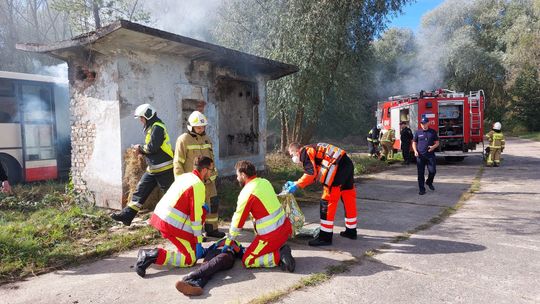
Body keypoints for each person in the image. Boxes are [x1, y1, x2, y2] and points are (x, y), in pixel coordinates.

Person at [134, 156, 215, 277]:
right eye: (211, 170)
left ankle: (153, 254)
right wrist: (198, 241)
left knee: (191, 250)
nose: (211, 173)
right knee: (190, 259)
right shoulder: (198, 185)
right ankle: (151, 255)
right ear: (204, 170)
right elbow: (196, 218)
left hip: (162, 217)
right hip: (171, 224)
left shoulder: (186, 176)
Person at [223, 160, 295, 271]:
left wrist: (228, 241)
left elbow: (238, 221)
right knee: (255, 250)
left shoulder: (247, 193)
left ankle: (278, 256)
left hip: (270, 236)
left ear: (243, 175)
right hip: (285, 230)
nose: (236, 178)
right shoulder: (264, 182)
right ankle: (279, 249)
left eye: (237, 175)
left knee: (248, 260)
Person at [111, 104, 175, 226]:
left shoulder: (158, 127)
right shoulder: (152, 127)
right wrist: (142, 150)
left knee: (170, 196)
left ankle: (177, 223)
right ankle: (127, 216)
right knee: (139, 192)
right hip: (153, 169)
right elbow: (151, 147)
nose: (141, 121)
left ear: (148, 115)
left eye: (141, 118)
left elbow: (153, 147)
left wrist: (139, 148)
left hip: (164, 169)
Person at [286, 142, 357, 246]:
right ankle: (351, 231)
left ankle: (325, 237)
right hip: (346, 163)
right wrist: (296, 182)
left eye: (292, 155)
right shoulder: (312, 149)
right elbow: (314, 173)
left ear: (297, 151)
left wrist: (297, 185)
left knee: (326, 202)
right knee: (348, 197)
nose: (293, 158)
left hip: (337, 169)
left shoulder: (305, 152)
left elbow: (310, 174)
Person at [173, 111, 224, 238]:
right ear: (191, 126)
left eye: (203, 126)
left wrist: (213, 175)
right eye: (198, 127)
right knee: (195, 208)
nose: (201, 129)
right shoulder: (183, 139)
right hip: (193, 182)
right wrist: (181, 182)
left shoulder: (207, 139)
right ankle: (196, 234)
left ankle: (212, 229)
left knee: (213, 204)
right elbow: (178, 162)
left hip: (209, 180)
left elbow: (212, 159)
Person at [175, 238, 244, 296]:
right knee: (207, 265)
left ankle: (190, 276)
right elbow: (205, 251)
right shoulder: (216, 244)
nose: (225, 240)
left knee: (220, 258)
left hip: (227, 254)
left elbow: (242, 253)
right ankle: (196, 285)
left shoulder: (236, 242)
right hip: (213, 252)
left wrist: (233, 246)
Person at [412, 117, 439, 195]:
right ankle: (422, 189)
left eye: (425, 123)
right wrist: (415, 151)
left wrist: (433, 147)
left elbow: (437, 143)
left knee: (433, 171)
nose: (423, 125)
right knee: (420, 174)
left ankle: (429, 182)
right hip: (420, 156)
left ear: (428, 123)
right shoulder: (417, 132)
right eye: (422, 123)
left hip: (430, 156)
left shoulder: (433, 132)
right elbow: (414, 143)